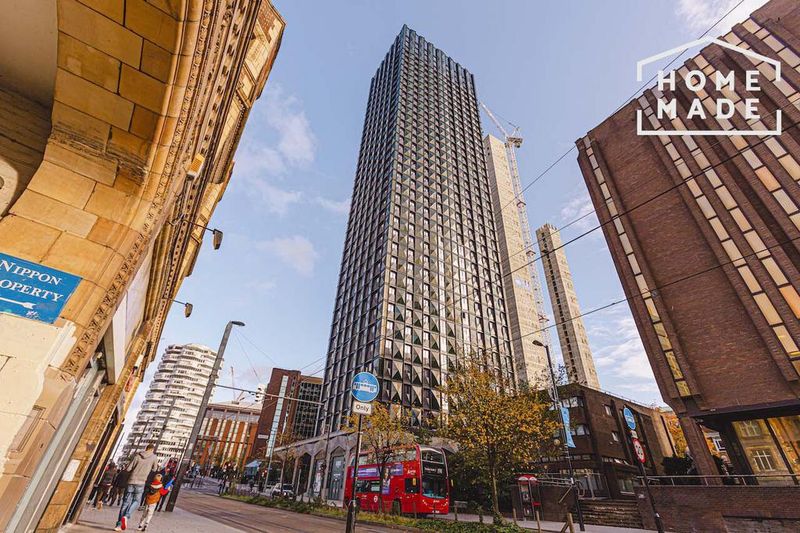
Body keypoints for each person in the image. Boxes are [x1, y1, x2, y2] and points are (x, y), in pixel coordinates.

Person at [115, 444, 160, 531]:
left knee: (125, 503)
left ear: (146, 448)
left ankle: (118, 525)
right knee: (136, 501)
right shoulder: (154, 457)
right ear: (152, 450)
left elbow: (128, 469)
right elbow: (154, 469)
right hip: (141, 482)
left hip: (131, 481)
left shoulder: (137, 456)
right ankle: (127, 516)